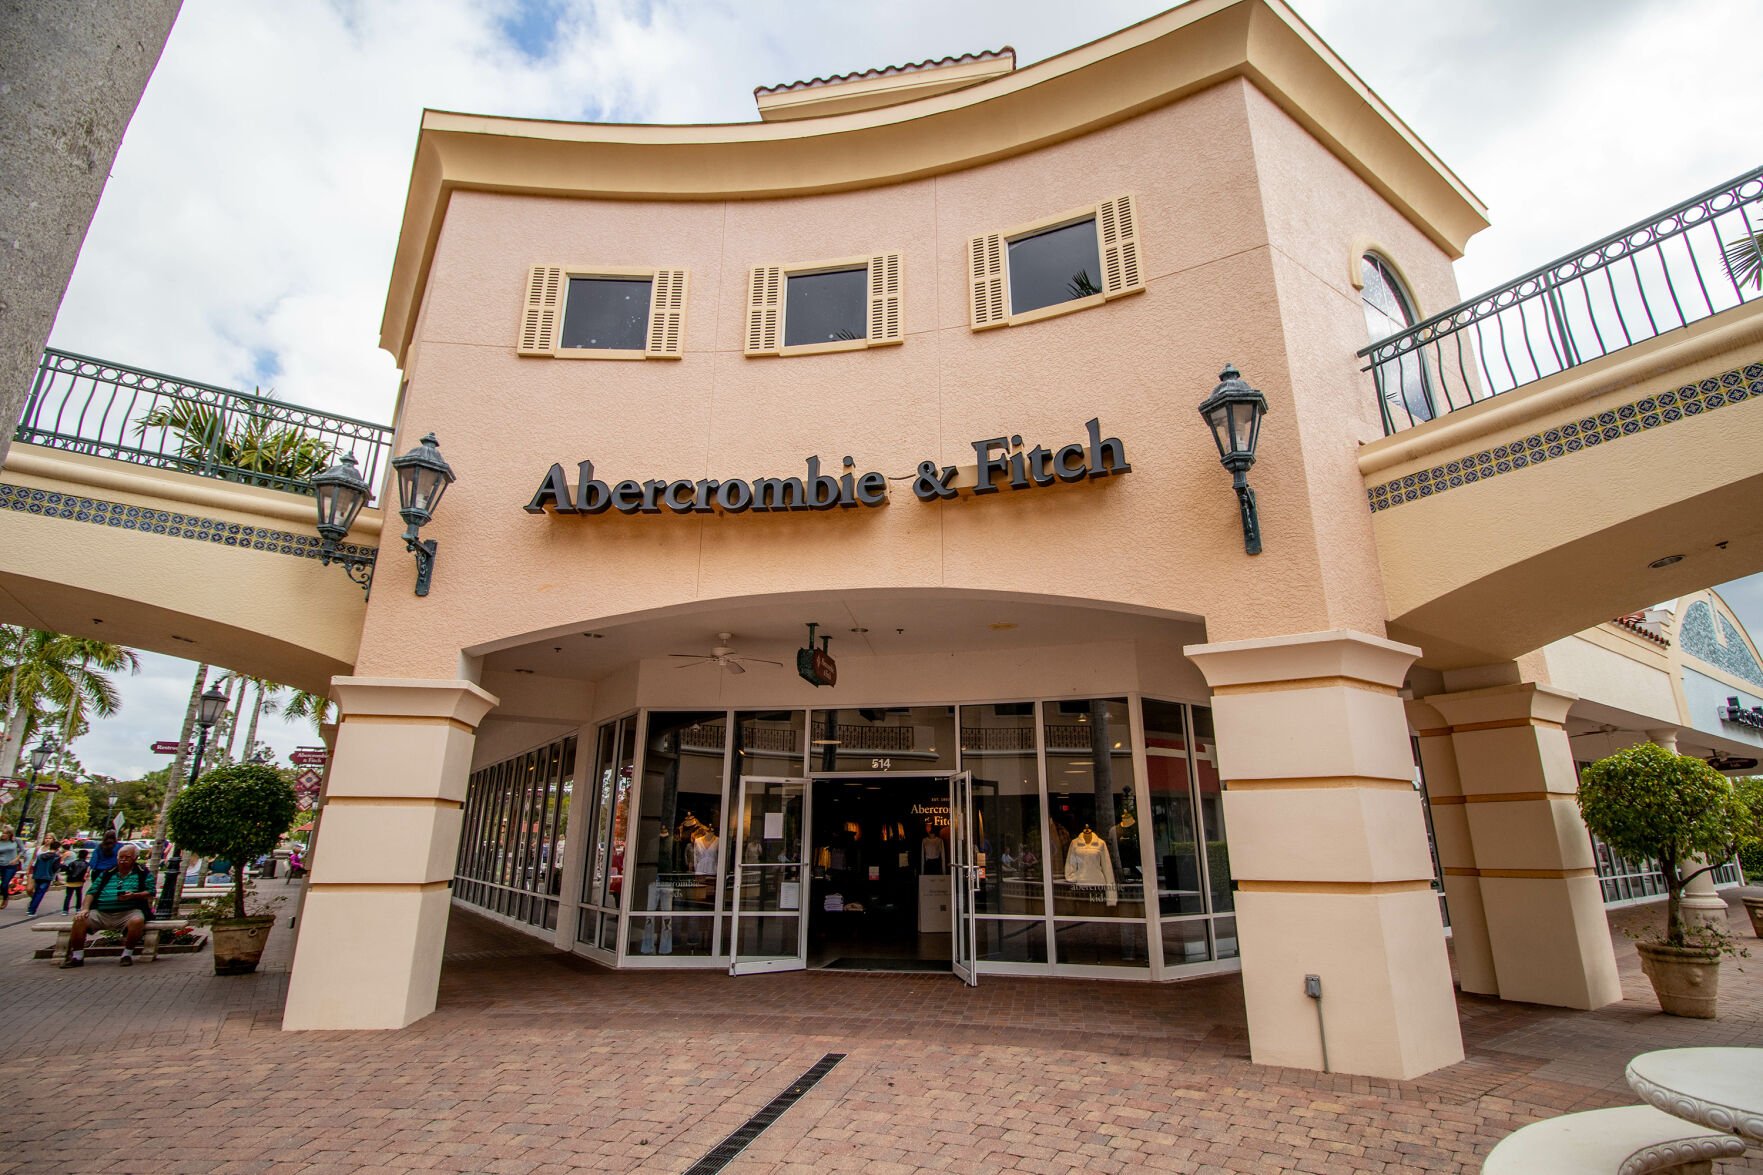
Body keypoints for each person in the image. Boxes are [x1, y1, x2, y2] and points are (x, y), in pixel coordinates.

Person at [63, 842, 154, 967]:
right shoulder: (108, 873)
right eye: (120, 857)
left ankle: (127, 954)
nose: (123, 860)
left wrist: (134, 895)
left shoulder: (142, 872)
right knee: (79, 919)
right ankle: (77, 957)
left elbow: (151, 892)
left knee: (137, 920)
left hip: (129, 911)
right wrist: (85, 909)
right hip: (101, 912)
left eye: (127, 857)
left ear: (135, 858)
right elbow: (91, 892)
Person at [26, 839, 63, 916]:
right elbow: (56, 868)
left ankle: (30, 908)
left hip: (37, 875)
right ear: (57, 849)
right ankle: (32, 910)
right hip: (47, 876)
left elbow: (35, 865)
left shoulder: (40, 856)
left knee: (36, 892)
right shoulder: (56, 857)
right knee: (40, 893)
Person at [61, 848, 90, 913]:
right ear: (86, 856)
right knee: (79, 895)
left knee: (68, 896)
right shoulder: (86, 864)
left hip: (70, 880)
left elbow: (68, 871)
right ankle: (78, 908)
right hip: (79, 881)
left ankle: (65, 910)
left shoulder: (72, 863)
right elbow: (86, 873)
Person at [0, 826, 23, 909]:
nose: (3, 834)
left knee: (4, 884)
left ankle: (5, 898)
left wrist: (16, 858)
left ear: (10, 834)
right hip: (1, 864)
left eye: (5, 833)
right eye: (2, 832)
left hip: (11, 865)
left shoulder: (16, 840)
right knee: (2, 884)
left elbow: (22, 850)